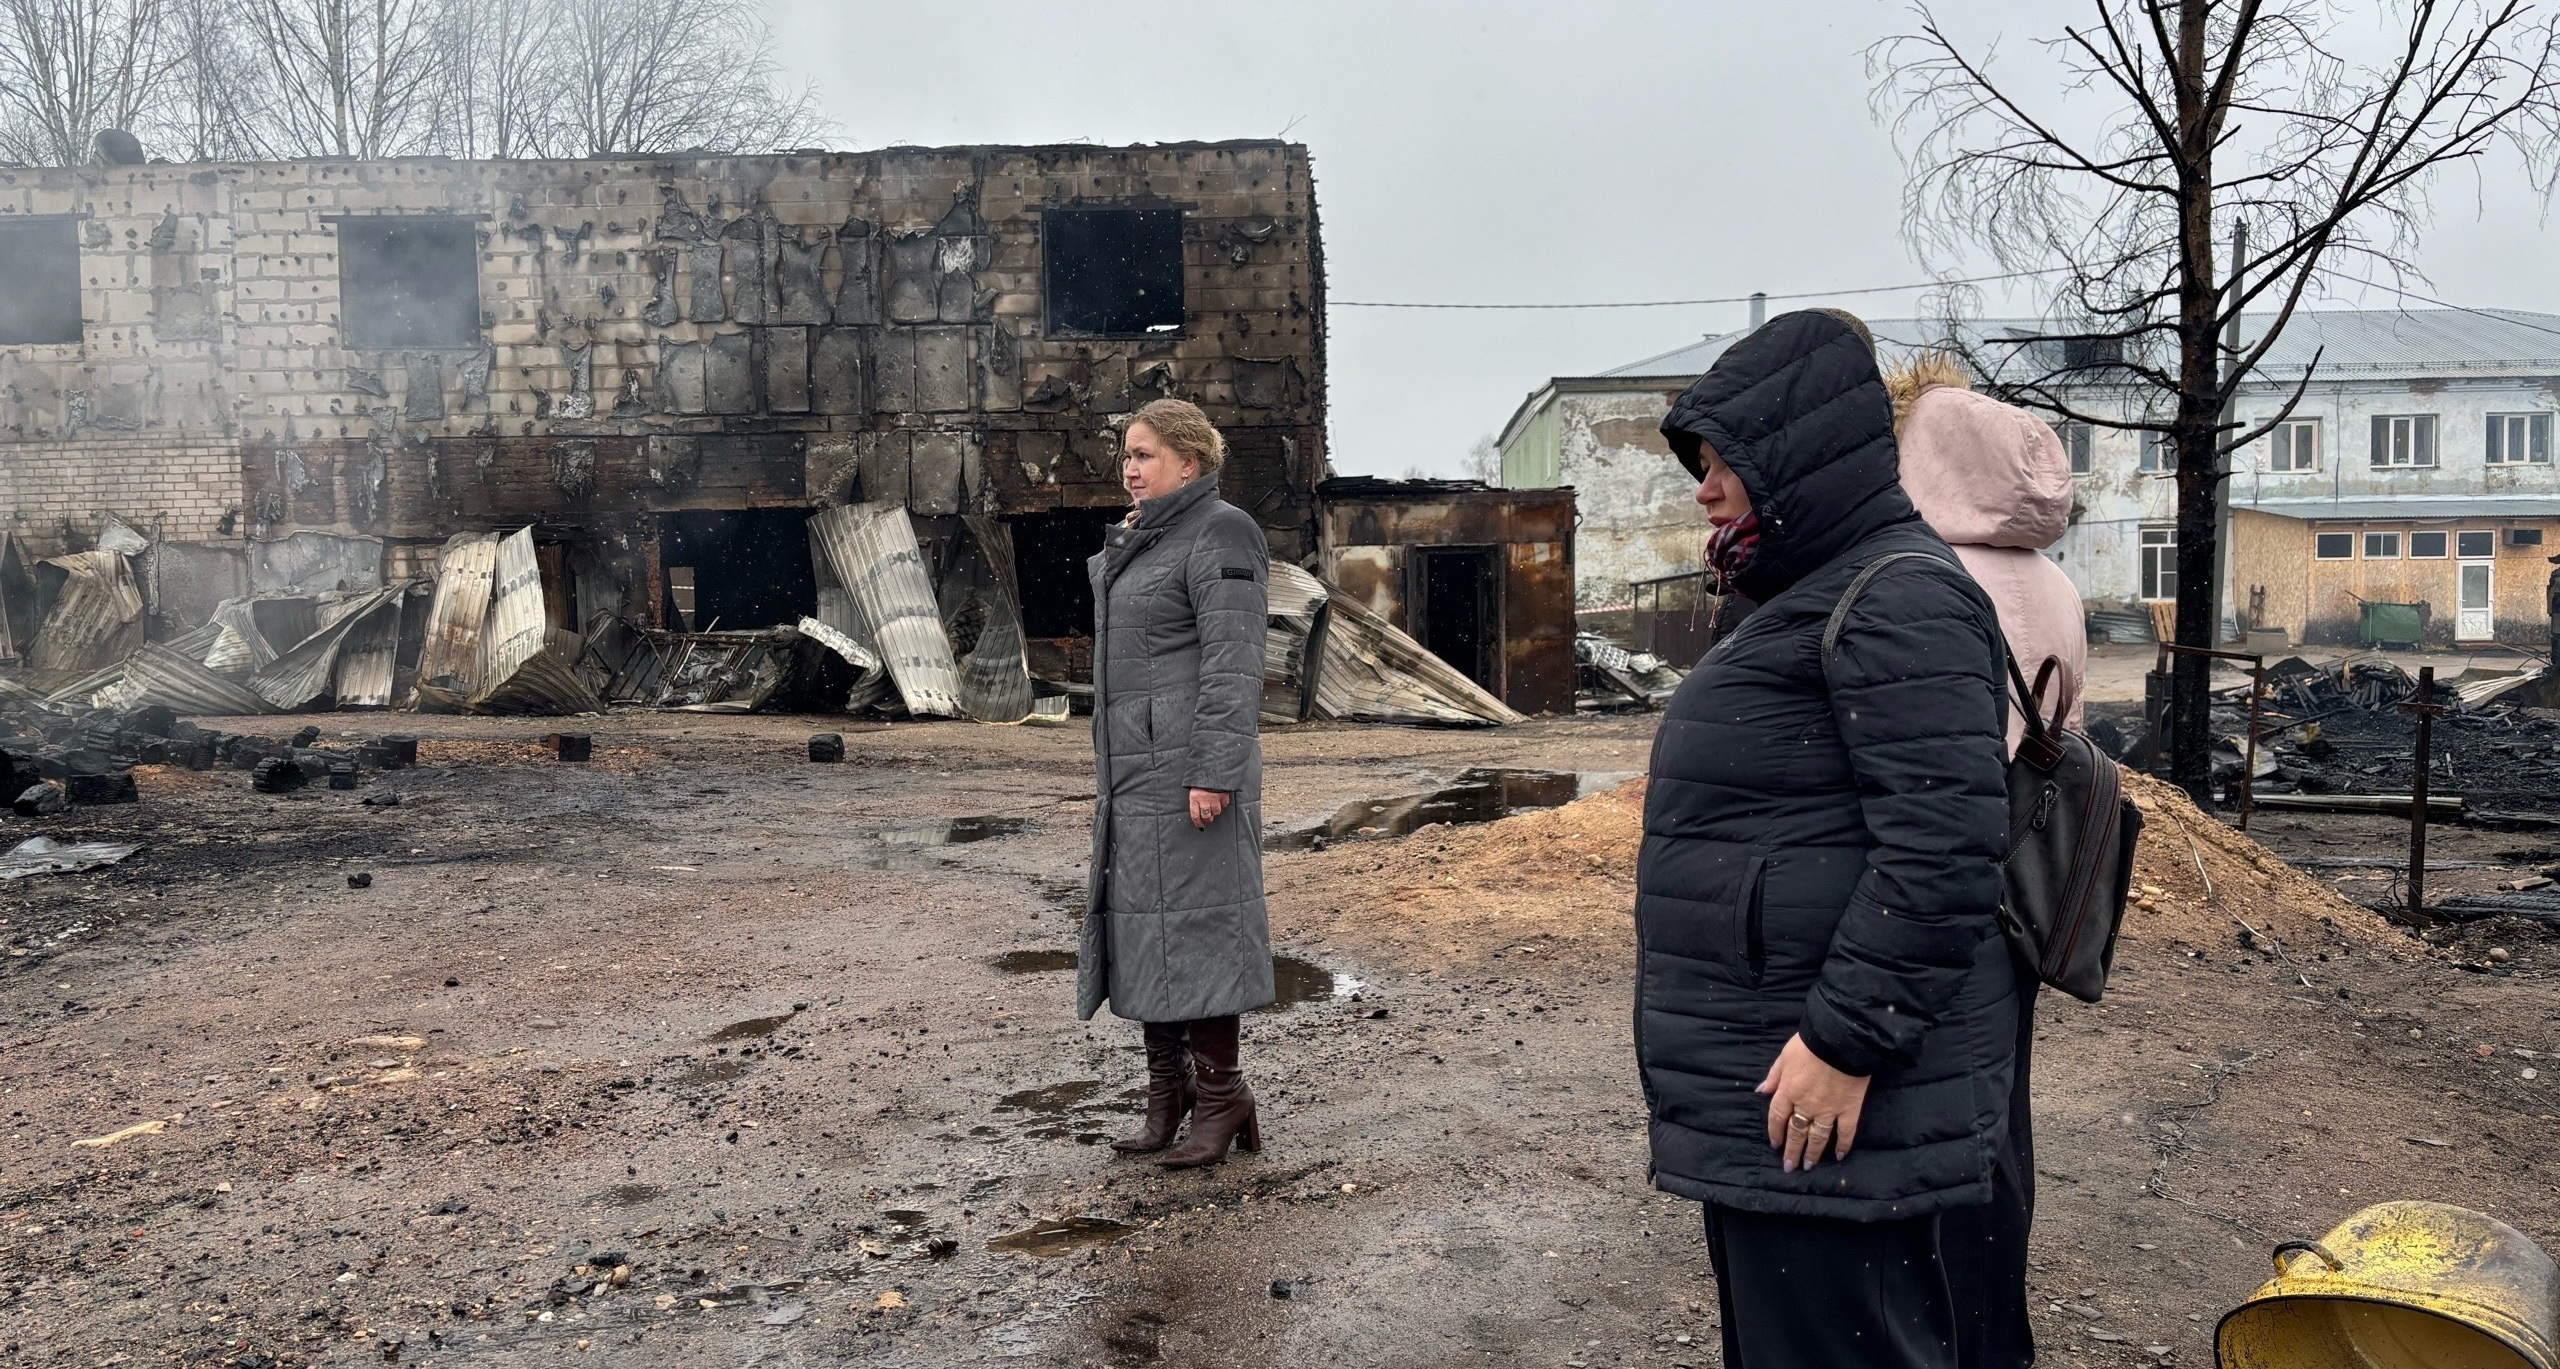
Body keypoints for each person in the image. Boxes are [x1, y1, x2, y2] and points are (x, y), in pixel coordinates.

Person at [1637, 310, 2017, 1369]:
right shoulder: (1818, 590)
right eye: (1701, 463)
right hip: (1779, 1076)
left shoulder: (1899, 595)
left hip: (1832, 1090)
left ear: (1800, 456)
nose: (1705, 487)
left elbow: (1944, 849)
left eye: (1725, 461)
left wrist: (1847, 1042)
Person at [1890, 352, 2087, 1369]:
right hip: (2026, 883)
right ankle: (1997, 1332)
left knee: (1922, 1121)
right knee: (2000, 1118)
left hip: (1941, 879)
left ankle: (1940, 1331)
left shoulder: (1919, 580)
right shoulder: (2056, 584)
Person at [1080, 396, 1273, 1170]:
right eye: (1126, 455)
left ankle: (1222, 1096)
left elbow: (1235, 662)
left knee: (1198, 931)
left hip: (1192, 776)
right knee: (1145, 932)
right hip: (1135, 777)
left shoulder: (1222, 531)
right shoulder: (1145, 537)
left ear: (1189, 462)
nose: (1129, 468)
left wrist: (1214, 770)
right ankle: (1171, 1092)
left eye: (1145, 455)